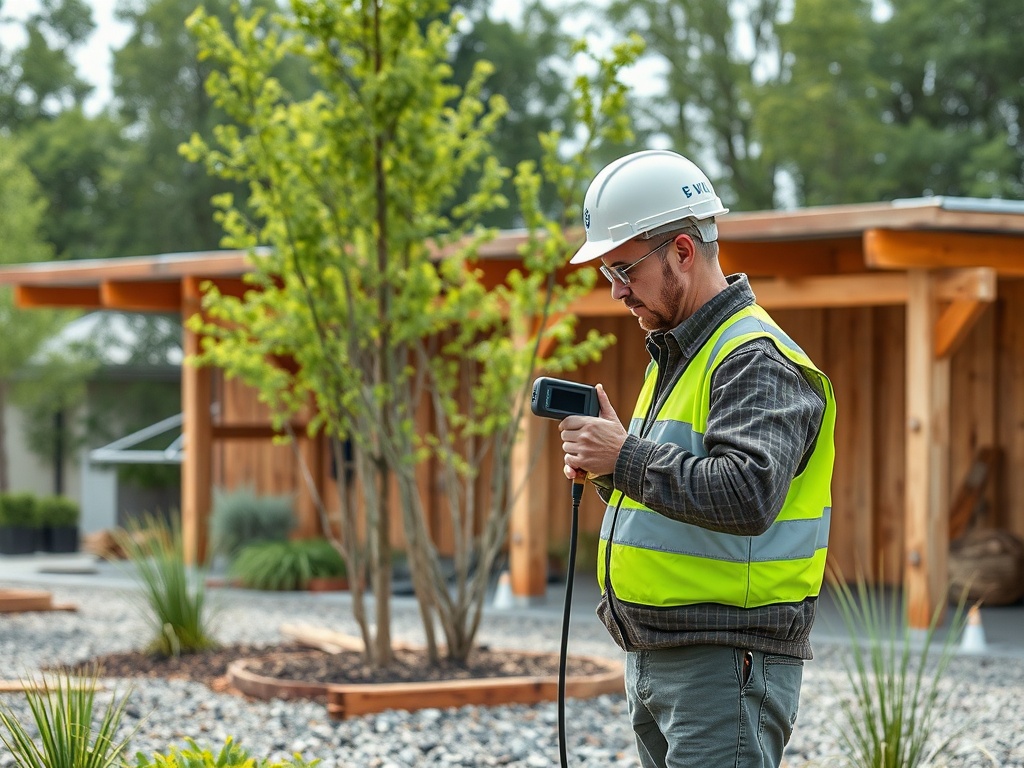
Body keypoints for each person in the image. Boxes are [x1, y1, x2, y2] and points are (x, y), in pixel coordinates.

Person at [558, 149, 836, 768]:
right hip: (671, 656)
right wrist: (612, 467)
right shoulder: (683, 351)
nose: (617, 291)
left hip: (723, 662)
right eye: (608, 274)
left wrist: (624, 454)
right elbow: (681, 495)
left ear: (682, 251)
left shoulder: (752, 358)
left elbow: (746, 493)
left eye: (625, 269)